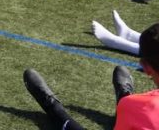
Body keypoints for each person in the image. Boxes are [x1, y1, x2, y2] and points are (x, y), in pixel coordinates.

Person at [24, 22, 159, 130]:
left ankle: (54, 108)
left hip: (135, 107)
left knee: (64, 120)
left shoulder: (142, 106)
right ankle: (123, 96)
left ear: (146, 68)